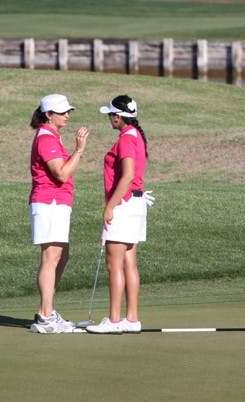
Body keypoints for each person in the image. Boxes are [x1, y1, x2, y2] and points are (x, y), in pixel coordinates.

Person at [86, 94, 152, 334]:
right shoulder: (135, 136)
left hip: (124, 204)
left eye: (112, 114)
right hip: (136, 204)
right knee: (129, 263)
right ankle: (132, 319)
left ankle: (114, 321)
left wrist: (110, 206)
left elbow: (127, 176)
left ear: (121, 116)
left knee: (114, 264)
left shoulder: (126, 138)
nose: (110, 118)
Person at [28, 94, 89, 334]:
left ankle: (48, 311)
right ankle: (44, 316)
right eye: (62, 111)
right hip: (49, 202)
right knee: (51, 258)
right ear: (48, 114)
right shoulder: (46, 138)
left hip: (57, 203)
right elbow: (61, 174)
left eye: (67, 111)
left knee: (62, 256)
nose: (67, 115)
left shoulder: (53, 137)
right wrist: (79, 150)